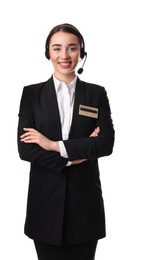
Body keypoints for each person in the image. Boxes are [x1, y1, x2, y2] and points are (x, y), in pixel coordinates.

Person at [17, 23, 115, 260]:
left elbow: (105, 144)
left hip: (84, 207)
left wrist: (52, 145)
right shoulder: (31, 94)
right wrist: (75, 156)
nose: (64, 56)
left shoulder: (96, 94)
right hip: (45, 207)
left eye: (72, 48)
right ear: (47, 52)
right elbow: (26, 149)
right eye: (57, 48)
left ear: (81, 53)